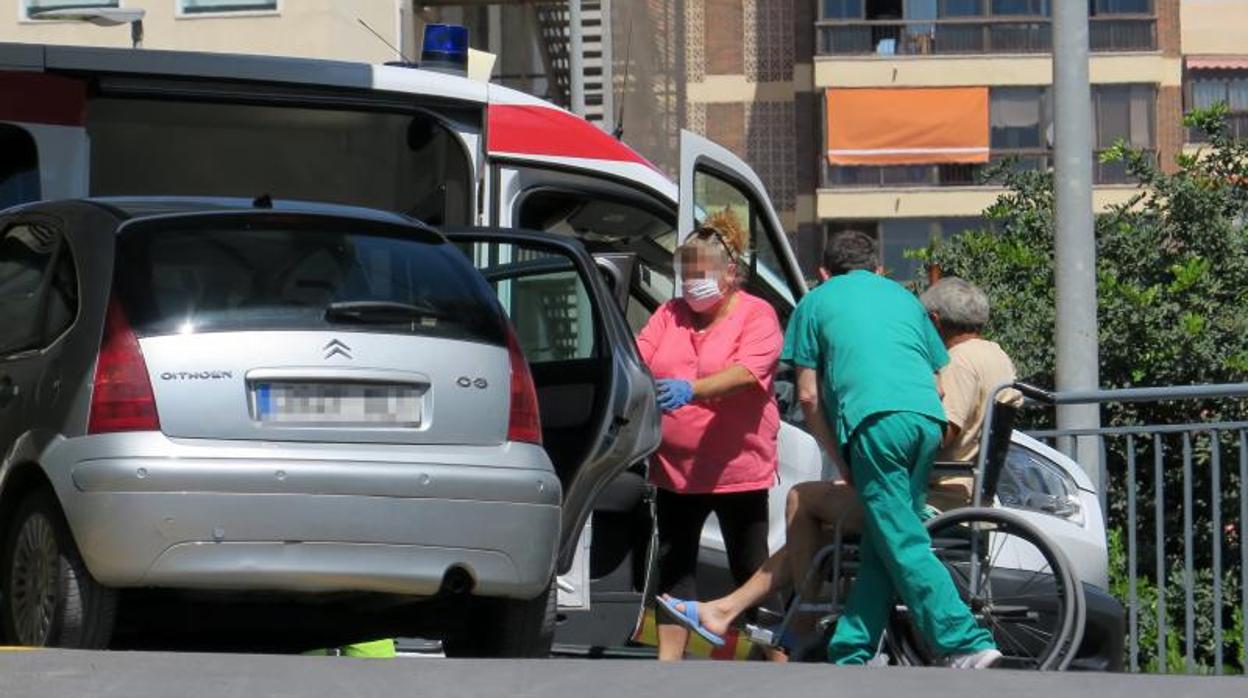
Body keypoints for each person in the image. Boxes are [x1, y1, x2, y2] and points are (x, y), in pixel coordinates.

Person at [661, 233, 1001, 668]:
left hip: (875, 422)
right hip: (926, 423)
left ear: (822, 273)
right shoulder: (905, 298)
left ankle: (963, 640)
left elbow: (806, 396)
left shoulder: (815, 302)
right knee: (885, 536)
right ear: (878, 268)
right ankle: (851, 651)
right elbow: (937, 382)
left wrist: (842, 461)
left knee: (901, 539)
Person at [635, 209, 783, 661]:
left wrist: (691, 390)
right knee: (675, 566)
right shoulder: (670, 313)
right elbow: (640, 356)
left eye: (699, 276)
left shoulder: (758, 315)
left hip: (738, 467)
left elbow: (746, 374)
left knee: (749, 568)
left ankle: (778, 664)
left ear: (730, 274)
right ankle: (668, 667)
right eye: (684, 276)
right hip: (676, 471)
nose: (689, 286)